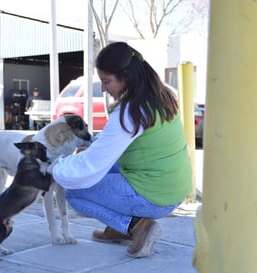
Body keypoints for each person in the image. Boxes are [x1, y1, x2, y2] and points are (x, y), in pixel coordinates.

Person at [48, 42, 192, 258]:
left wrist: (54, 167)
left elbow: (91, 165)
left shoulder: (131, 112)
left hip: (155, 196)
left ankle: (134, 226)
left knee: (73, 190)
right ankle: (120, 228)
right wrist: (88, 148)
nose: (104, 88)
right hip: (173, 187)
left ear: (127, 77)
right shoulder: (158, 98)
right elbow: (108, 146)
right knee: (103, 166)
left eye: (107, 81)